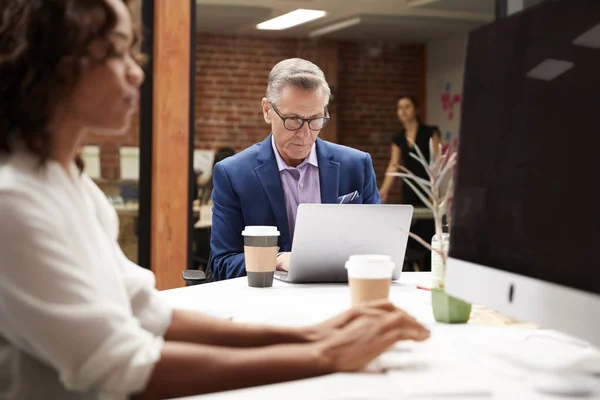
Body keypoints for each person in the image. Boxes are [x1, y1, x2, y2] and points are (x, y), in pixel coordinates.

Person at [0, 1, 430, 398]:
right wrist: (325, 356)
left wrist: (316, 335)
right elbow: (121, 366)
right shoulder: (14, 201)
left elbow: (148, 311)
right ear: (54, 66)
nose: (137, 72)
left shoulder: (70, 184)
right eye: (116, 53)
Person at [210, 58, 381, 281]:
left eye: (315, 120)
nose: (304, 134)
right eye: (293, 120)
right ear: (267, 111)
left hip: (339, 297)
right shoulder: (233, 174)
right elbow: (222, 263)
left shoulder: (357, 166)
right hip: (265, 304)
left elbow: (379, 250)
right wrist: (277, 260)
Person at [378, 96, 441, 270]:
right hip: (410, 190)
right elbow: (394, 164)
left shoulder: (430, 132)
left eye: (407, 106)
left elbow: (436, 162)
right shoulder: (398, 138)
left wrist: (434, 189)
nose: (403, 111)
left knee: (430, 237)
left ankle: (430, 273)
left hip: (428, 189)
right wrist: (383, 192)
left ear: (416, 110)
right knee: (410, 238)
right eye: (399, 107)